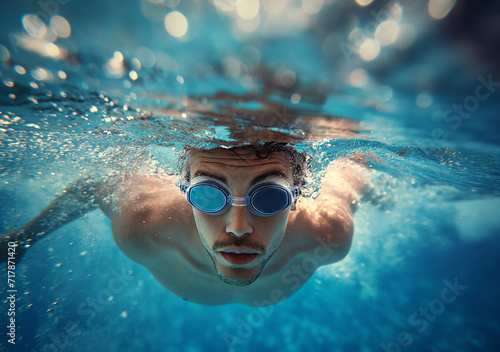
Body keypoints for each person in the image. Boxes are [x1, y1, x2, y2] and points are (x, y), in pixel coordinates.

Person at [1, 143, 370, 306]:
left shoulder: (328, 233)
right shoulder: (143, 225)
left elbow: (355, 178)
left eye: (269, 197)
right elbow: (92, 186)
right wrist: (25, 237)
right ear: (184, 193)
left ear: (298, 195)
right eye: (209, 194)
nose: (238, 228)